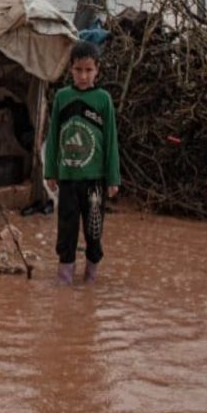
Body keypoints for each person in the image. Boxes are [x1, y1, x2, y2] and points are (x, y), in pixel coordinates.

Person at [44, 41, 121, 285]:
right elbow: (53, 136)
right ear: (71, 69)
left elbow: (110, 141)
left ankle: (90, 279)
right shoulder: (62, 97)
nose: (84, 76)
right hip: (68, 179)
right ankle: (65, 279)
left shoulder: (103, 100)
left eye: (89, 70)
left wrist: (113, 178)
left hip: (95, 182)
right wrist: (51, 171)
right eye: (78, 70)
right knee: (66, 230)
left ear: (97, 70)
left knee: (94, 231)